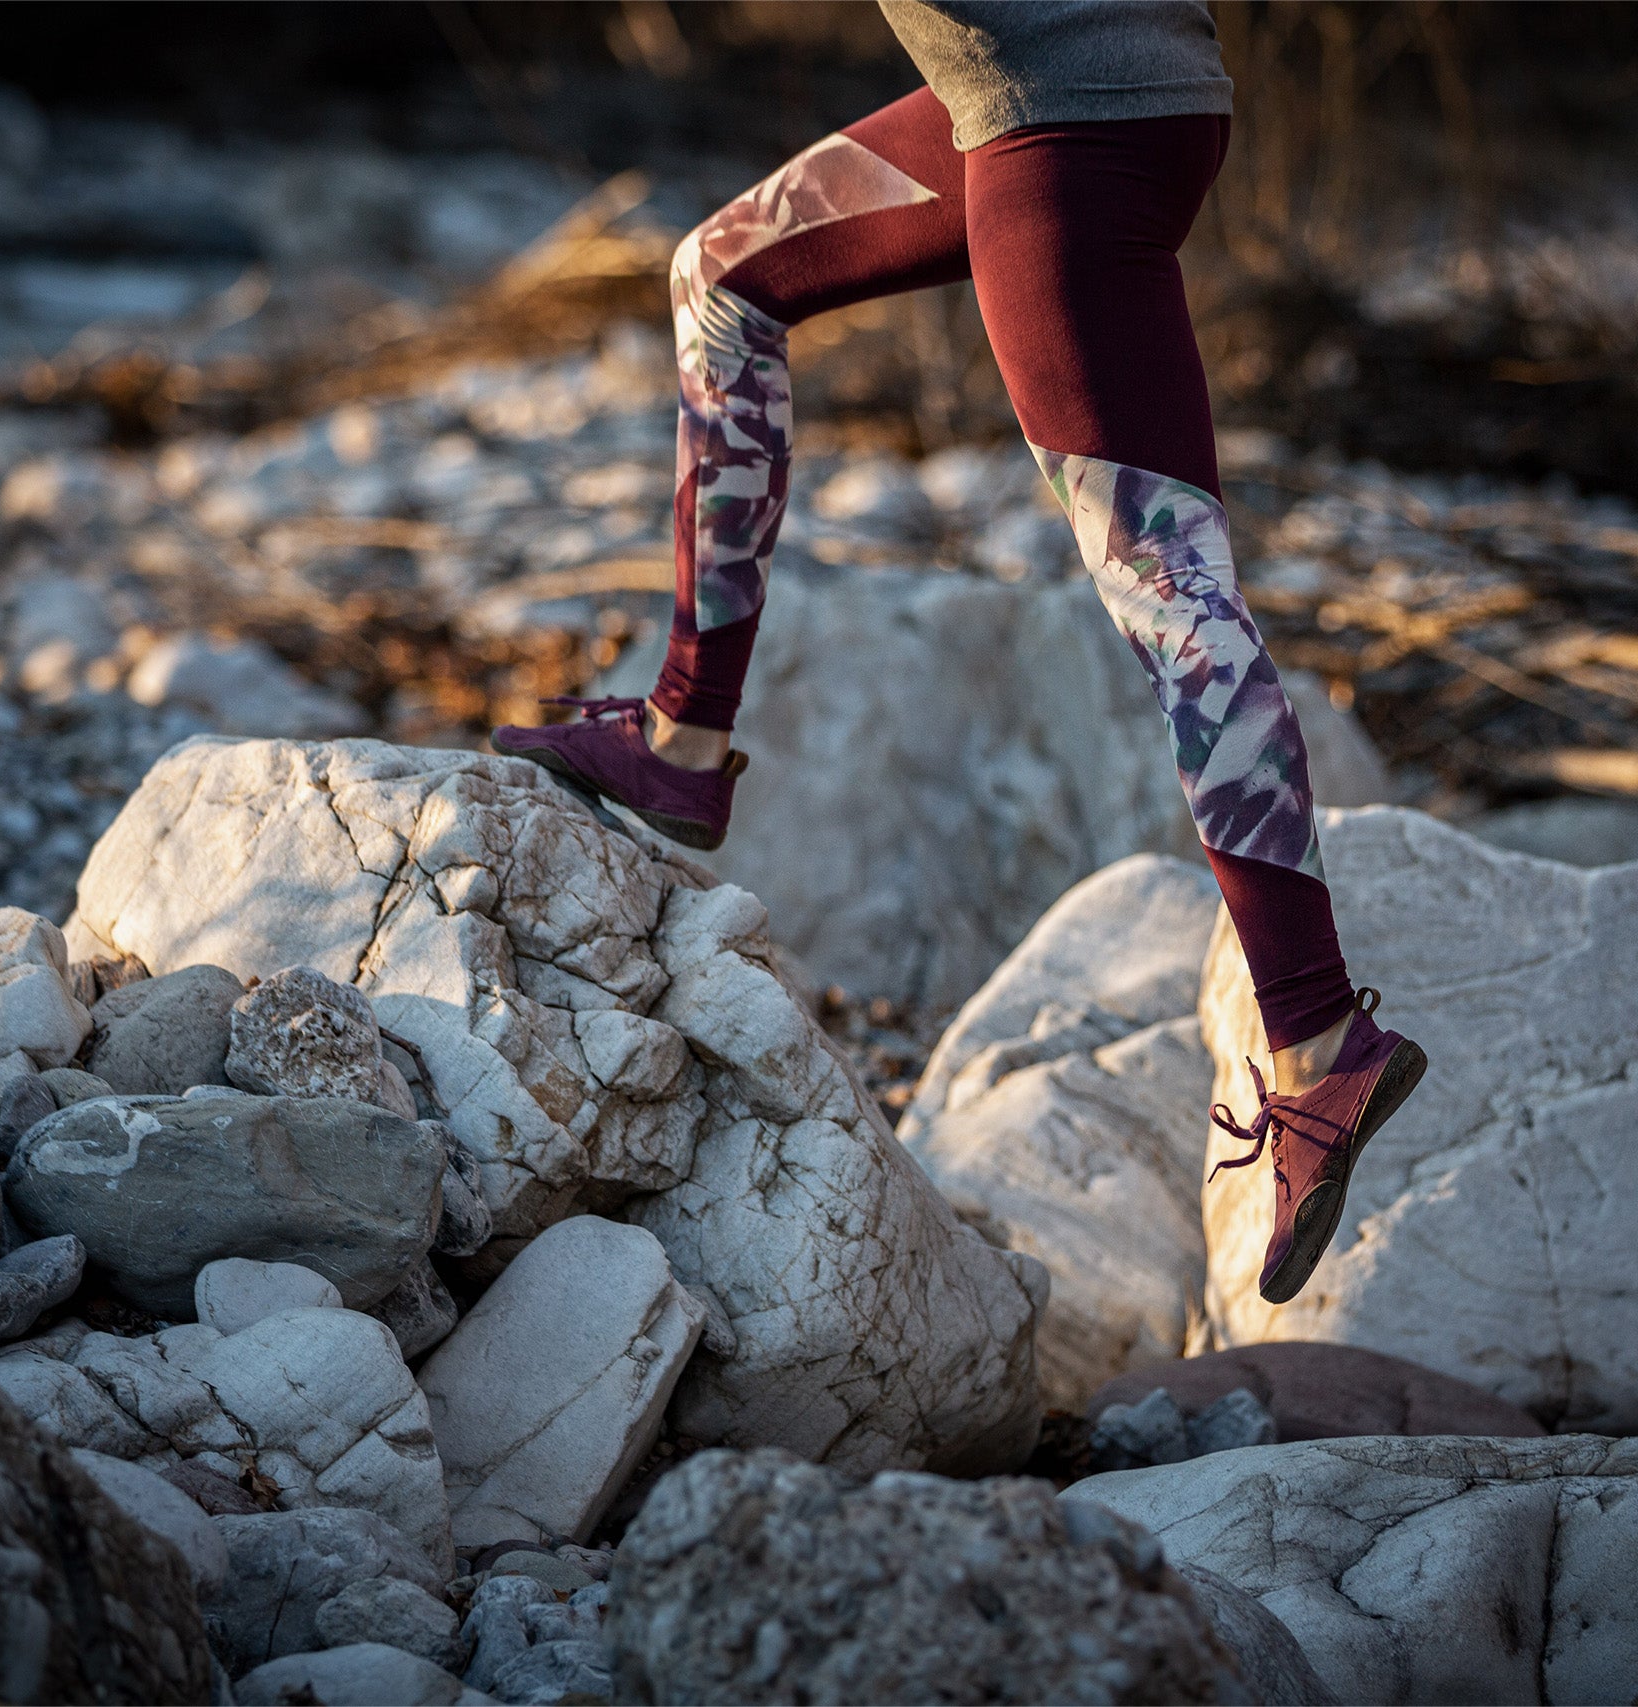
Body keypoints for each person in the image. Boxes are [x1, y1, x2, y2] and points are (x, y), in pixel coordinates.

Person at [493, 1, 1424, 1303]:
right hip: (1080, 98)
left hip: (1066, 136)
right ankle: (684, 737)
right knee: (723, 270)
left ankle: (1319, 1036)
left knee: (1172, 595)